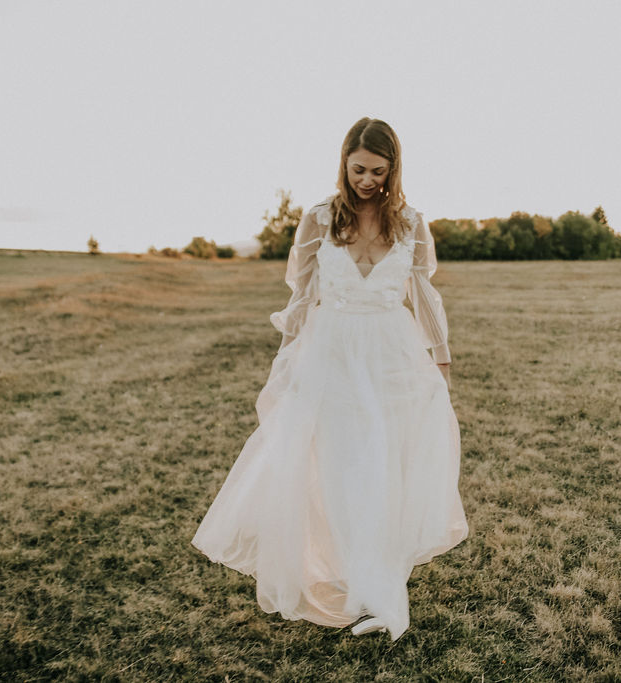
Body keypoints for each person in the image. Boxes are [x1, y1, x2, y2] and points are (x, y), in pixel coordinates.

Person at [191, 117, 468, 641]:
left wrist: (442, 362)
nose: (367, 180)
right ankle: (344, 572)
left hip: (390, 352)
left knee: (385, 465)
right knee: (339, 465)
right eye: (359, 168)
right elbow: (300, 296)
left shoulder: (411, 222)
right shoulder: (319, 219)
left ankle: (378, 581)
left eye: (378, 171)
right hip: (332, 352)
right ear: (344, 162)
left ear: (394, 169)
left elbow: (426, 296)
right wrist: (287, 360)